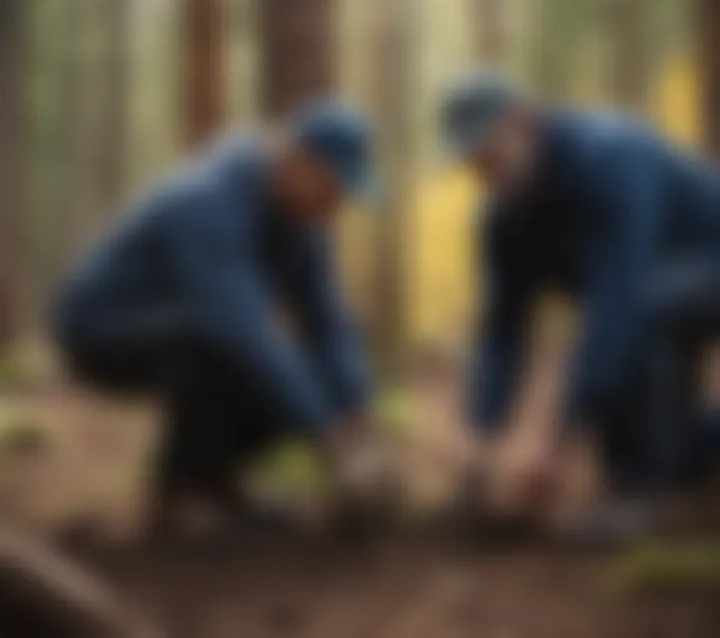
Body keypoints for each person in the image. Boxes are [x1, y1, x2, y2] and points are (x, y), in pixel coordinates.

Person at [53, 102, 383, 540]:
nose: (337, 204)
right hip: (100, 329)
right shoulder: (207, 200)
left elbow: (330, 323)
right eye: (333, 188)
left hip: (189, 328)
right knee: (226, 347)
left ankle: (218, 487)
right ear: (298, 162)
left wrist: (355, 413)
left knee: (296, 373)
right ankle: (179, 497)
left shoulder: (304, 223)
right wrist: (327, 436)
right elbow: (238, 327)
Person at [441, 73, 720, 542]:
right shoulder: (504, 220)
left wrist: (558, 437)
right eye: (475, 165)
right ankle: (674, 457)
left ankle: (635, 495)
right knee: (677, 454)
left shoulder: (611, 157)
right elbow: (502, 329)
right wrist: (483, 435)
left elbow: (619, 304)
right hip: (656, 291)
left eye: (490, 154)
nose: (486, 174)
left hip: (702, 264)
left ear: (524, 124)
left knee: (638, 315)